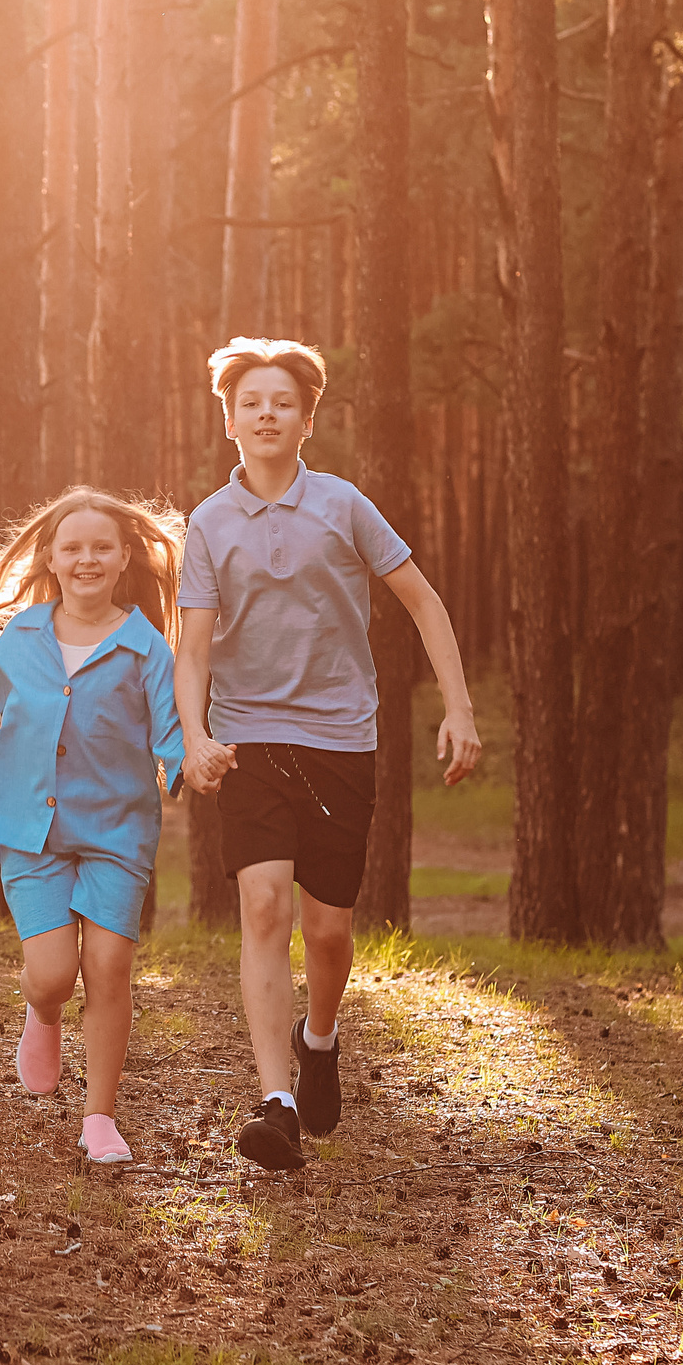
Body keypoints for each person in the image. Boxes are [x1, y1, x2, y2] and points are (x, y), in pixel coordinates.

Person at [175, 338, 482, 1173]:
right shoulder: (209, 521)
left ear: (307, 420)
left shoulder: (344, 504)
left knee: (329, 928)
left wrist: (457, 708)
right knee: (264, 907)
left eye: (282, 402)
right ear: (230, 420)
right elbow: (192, 649)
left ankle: (320, 1037)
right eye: (250, 402)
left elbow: (423, 601)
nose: (266, 413)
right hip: (250, 736)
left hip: (341, 735)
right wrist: (195, 734)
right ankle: (275, 1101)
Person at [0, 488, 185, 1164]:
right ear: (50, 557)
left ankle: (100, 1117)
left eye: (102, 547)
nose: (87, 559)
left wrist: (198, 761)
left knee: (108, 965)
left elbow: (172, 736)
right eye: (72, 547)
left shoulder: (146, 648)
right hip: (32, 831)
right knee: (52, 973)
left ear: (125, 557)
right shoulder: (23, 636)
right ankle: (43, 1010)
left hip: (116, 834)